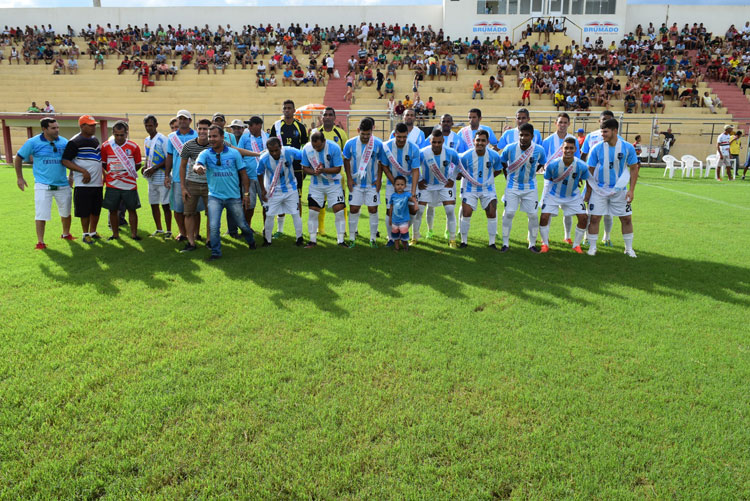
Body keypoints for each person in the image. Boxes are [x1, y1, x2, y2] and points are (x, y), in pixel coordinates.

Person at [192, 125, 256, 260]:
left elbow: (243, 174)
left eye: (214, 136)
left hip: (233, 197)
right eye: (210, 136)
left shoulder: (234, 153)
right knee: (214, 226)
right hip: (214, 197)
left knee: (242, 224)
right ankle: (216, 253)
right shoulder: (205, 154)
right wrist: (198, 168)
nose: (211, 139)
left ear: (222, 137)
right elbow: (196, 164)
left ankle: (251, 241)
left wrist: (246, 194)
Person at [15, 117, 75, 248]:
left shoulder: (64, 142)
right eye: (53, 128)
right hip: (42, 185)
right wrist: (20, 177)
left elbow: (71, 160)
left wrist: (71, 176)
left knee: (66, 212)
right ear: (44, 129)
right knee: (41, 214)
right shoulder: (33, 142)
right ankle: (40, 242)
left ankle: (66, 234)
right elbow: (18, 158)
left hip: (63, 184)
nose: (57, 130)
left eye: (57, 127)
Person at [585, 118, 639, 257]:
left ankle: (629, 249)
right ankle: (592, 247)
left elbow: (634, 168)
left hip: (620, 190)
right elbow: (589, 171)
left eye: (605, 132)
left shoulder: (627, 147)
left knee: (626, 219)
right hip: (599, 190)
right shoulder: (596, 148)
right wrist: (588, 192)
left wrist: (631, 190)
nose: (602, 135)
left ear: (615, 131)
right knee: (595, 218)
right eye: (602, 132)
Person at [498, 123, 547, 253]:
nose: (523, 138)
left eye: (527, 135)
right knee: (509, 213)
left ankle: (532, 244)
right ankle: (505, 243)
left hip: (530, 187)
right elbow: (502, 160)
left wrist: (532, 172)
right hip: (512, 186)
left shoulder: (539, 149)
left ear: (532, 136)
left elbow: (542, 162)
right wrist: (506, 174)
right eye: (521, 134)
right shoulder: (509, 148)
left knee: (533, 215)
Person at [538, 137, 589, 253]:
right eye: (566, 148)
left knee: (583, 218)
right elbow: (549, 178)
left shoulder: (581, 165)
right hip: (554, 193)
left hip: (573, 195)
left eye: (571, 148)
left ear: (576, 149)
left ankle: (576, 245)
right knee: (544, 217)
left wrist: (587, 194)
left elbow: (585, 179)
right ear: (562, 149)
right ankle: (545, 244)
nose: (568, 150)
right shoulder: (553, 164)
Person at [456, 129, 503, 248]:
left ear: (487, 142)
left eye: (483, 140)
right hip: (470, 189)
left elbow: (498, 169)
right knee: (466, 213)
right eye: (478, 140)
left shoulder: (494, 155)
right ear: (473, 141)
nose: (480, 143)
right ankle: (464, 241)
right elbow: (460, 172)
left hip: (488, 189)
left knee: (492, 213)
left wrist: (487, 181)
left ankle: (492, 242)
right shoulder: (466, 156)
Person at [413, 129, 460, 247]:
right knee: (419, 211)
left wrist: (452, 179)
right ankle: (415, 237)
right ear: (430, 141)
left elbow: (459, 165)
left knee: (450, 210)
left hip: (444, 185)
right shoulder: (423, 153)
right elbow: (414, 166)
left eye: (439, 142)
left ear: (443, 141)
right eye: (434, 142)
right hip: (427, 186)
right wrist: (419, 180)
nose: (436, 145)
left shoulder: (450, 152)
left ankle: (452, 239)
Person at [269, 99, 308, 238]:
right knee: (280, 196)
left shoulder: (300, 127)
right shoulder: (277, 126)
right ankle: (280, 229)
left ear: (294, 110)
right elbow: (271, 144)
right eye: (284, 108)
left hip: (296, 169)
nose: (286, 110)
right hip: (279, 167)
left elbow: (304, 146)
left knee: (297, 198)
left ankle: (299, 230)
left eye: (289, 108)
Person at [343, 117, 385, 248]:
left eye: (368, 134)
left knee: (373, 209)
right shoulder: (350, 144)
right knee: (354, 208)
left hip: (372, 184)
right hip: (355, 184)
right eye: (363, 134)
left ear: (372, 132)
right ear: (358, 131)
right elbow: (346, 160)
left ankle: (373, 239)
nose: (366, 137)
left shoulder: (378, 144)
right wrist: (349, 178)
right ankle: (351, 238)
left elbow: (381, 162)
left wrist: (378, 180)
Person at [61, 115, 103, 244]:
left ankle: (93, 232)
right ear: (82, 126)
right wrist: (83, 171)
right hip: (83, 184)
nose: (93, 127)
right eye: (90, 125)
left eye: (94, 125)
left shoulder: (95, 140)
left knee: (96, 209)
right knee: (85, 211)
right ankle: (85, 234)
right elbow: (65, 161)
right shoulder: (74, 142)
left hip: (97, 183)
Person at [301, 130, 346, 247]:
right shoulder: (307, 149)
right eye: (314, 146)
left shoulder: (334, 148)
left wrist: (323, 170)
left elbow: (337, 168)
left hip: (334, 184)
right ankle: (312, 241)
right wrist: (314, 172)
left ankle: (341, 241)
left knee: (339, 211)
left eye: (319, 146)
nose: (316, 148)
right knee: (312, 212)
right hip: (316, 185)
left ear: (324, 141)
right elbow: (305, 168)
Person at [257, 137, 304, 247]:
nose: (274, 153)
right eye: (271, 151)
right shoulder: (264, 158)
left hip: (290, 189)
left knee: (295, 213)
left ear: (280, 147)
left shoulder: (289, 151)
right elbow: (259, 173)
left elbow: (304, 155)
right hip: (272, 191)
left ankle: (299, 238)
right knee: (269, 215)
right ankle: (267, 240)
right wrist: (263, 190)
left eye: (276, 150)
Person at [542, 112, 581, 244]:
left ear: (569, 124)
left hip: (568, 180)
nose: (563, 125)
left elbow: (578, 160)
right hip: (551, 181)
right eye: (560, 122)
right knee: (547, 209)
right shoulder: (547, 141)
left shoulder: (574, 140)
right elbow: (544, 160)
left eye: (565, 122)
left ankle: (567, 236)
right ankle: (544, 238)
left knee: (568, 210)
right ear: (556, 123)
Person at [100, 121, 142, 241]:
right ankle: (115, 234)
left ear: (126, 134)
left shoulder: (133, 146)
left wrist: (126, 174)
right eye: (116, 135)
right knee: (113, 210)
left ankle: (134, 234)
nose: (119, 137)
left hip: (129, 185)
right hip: (112, 184)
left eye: (122, 135)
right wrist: (116, 175)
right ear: (113, 133)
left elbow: (138, 165)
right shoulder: (106, 146)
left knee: (132, 210)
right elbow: (104, 164)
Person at [580, 110, 617, 247]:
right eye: (604, 119)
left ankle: (606, 237)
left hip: (611, 181)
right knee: (590, 210)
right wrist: (582, 173)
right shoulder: (591, 136)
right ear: (599, 121)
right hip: (593, 180)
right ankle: (587, 236)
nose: (606, 122)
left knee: (608, 212)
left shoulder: (619, 140)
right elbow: (583, 156)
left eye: (609, 119)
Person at [380, 122, 420, 247]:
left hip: (408, 184)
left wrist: (412, 191)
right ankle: (391, 238)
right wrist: (396, 184)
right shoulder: (386, 147)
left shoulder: (414, 148)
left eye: (404, 137)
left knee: (413, 210)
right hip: (392, 184)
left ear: (407, 135)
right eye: (399, 137)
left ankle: (402, 232)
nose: (402, 140)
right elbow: (385, 167)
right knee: (389, 210)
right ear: (394, 135)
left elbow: (415, 170)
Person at [314, 107, 350, 236]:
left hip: (337, 176)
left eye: (330, 115)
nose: (328, 117)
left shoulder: (340, 133)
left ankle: (343, 229)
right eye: (325, 115)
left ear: (335, 118)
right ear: (322, 117)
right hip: (320, 176)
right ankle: (321, 229)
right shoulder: (316, 132)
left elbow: (346, 155)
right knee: (320, 202)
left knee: (340, 202)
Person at [178, 118, 212, 252]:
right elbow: (182, 166)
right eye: (200, 128)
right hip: (191, 184)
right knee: (188, 213)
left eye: (206, 129)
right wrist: (183, 187)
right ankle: (191, 243)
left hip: (210, 184)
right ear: (196, 129)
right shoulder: (188, 145)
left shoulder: (215, 143)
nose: (203, 131)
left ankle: (210, 241)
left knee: (211, 214)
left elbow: (235, 151)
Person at [165, 109, 198, 242]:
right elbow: (169, 156)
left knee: (195, 208)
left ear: (190, 121)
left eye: (185, 119)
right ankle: (182, 232)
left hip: (194, 177)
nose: (182, 121)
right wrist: (167, 175)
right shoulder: (172, 137)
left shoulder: (197, 135)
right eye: (180, 119)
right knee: (177, 208)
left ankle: (195, 233)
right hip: (178, 178)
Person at [236, 115, 268, 233]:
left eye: (251, 125)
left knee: (266, 204)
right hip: (248, 177)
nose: (248, 127)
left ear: (259, 125)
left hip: (265, 178)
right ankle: (247, 228)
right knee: (248, 205)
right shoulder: (245, 138)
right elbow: (239, 154)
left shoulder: (268, 138)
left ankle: (267, 228)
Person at [142, 115, 171, 238]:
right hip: (151, 178)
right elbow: (148, 156)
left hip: (162, 176)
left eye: (151, 125)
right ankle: (159, 229)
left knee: (165, 204)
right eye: (147, 126)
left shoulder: (163, 139)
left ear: (156, 125)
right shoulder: (146, 140)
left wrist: (154, 168)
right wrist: (145, 166)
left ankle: (169, 230)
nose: (149, 128)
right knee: (153, 203)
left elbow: (168, 158)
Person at [389, 176, 416, 251]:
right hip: (395, 220)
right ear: (394, 186)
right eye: (397, 185)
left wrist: (416, 205)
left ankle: (405, 247)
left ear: (405, 186)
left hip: (404, 220)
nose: (400, 186)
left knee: (404, 234)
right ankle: (397, 248)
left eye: (402, 184)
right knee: (395, 235)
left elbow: (413, 198)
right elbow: (391, 207)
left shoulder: (407, 194)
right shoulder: (393, 196)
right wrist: (390, 218)